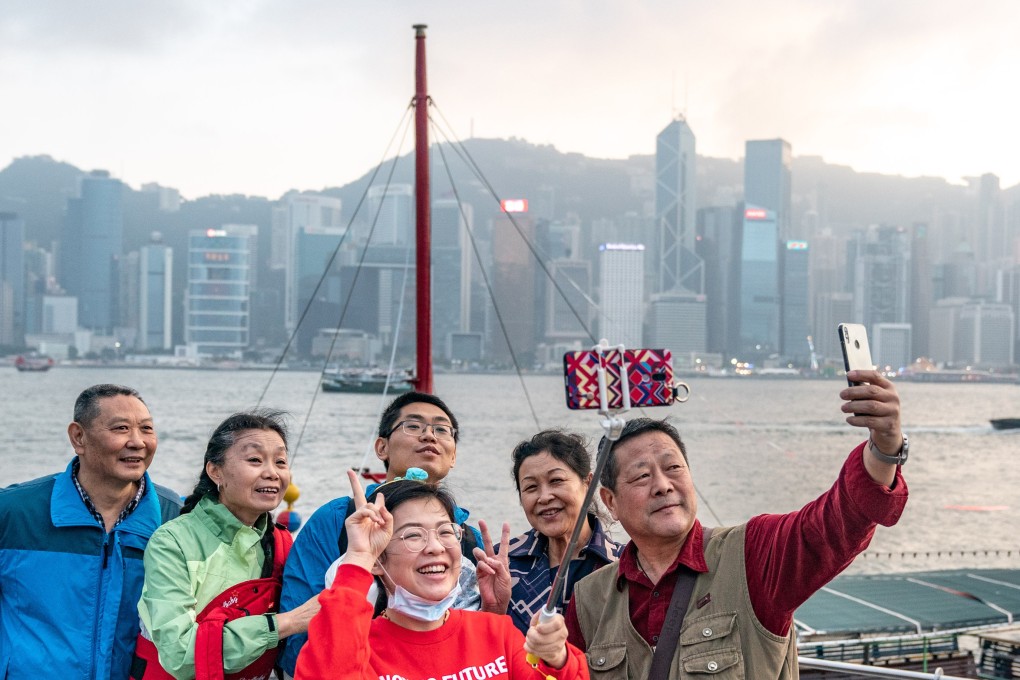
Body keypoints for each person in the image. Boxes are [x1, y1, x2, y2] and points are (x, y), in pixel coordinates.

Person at [566, 370, 910, 679]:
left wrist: (884, 447)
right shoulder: (588, 600)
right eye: (642, 475)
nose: (663, 485)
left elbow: (837, 521)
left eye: (674, 469)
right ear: (610, 501)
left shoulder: (753, 555)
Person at [278, 391, 500, 676]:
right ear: (381, 447)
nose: (429, 436)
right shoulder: (339, 520)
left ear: (453, 455)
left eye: (441, 429)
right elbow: (299, 632)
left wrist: (497, 607)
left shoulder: (465, 537)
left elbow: (475, 637)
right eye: (413, 426)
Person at [293, 471, 588, 679]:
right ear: (377, 560)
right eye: (412, 535)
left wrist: (556, 657)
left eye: (446, 532)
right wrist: (357, 557)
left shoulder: (496, 632)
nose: (435, 547)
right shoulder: (361, 647)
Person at [0, 383, 181, 680]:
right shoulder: (14, 513)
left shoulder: (174, 518)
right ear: (78, 437)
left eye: (146, 429)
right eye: (121, 428)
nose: (137, 442)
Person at [135, 410, 319, 679]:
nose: (271, 473)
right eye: (255, 460)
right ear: (215, 471)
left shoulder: (280, 542)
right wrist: (287, 623)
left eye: (280, 461)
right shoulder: (172, 542)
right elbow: (180, 653)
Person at [504, 430, 623, 634]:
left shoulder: (623, 565)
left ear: (588, 483)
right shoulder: (503, 563)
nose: (544, 497)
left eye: (556, 481)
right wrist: (493, 607)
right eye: (531, 487)